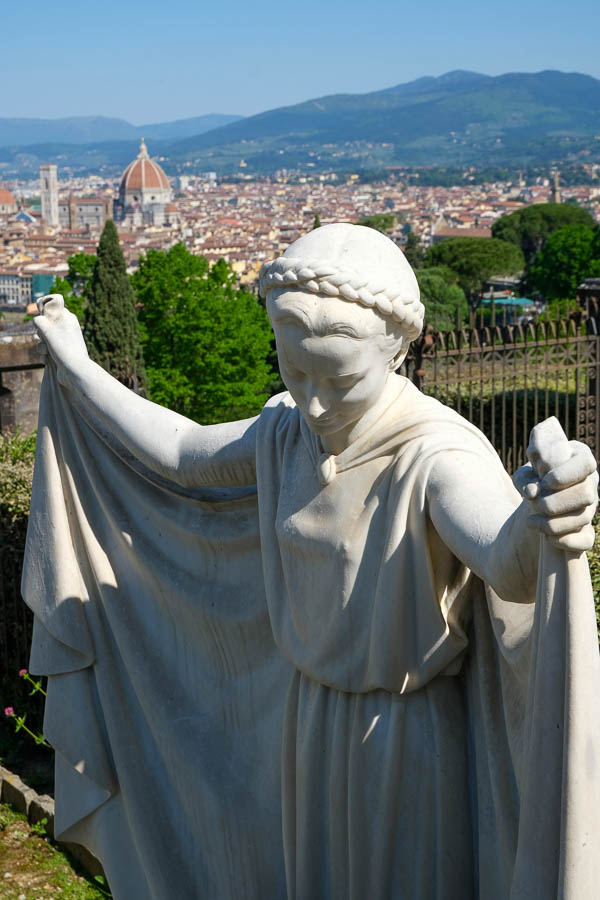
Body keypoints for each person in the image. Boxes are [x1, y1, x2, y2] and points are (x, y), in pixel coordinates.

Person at [30, 224, 598, 899]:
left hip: (402, 744)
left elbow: (507, 563)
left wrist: (548, 517)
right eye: (294, 371)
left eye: (339, 378)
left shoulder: (435, 457)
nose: (315, 401)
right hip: (307, 725)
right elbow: (181, 451)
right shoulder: (284, 433)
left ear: (398, 350)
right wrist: (78, 369)